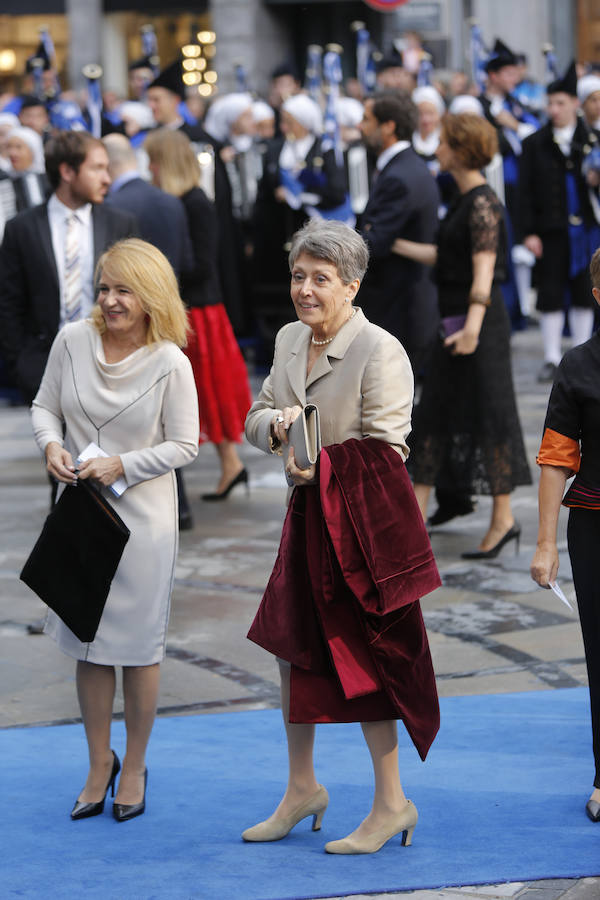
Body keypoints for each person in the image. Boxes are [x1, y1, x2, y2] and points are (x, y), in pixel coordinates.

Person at [243, 218, 440, 854]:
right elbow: (255, 414)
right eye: (298, 276)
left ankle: (392, 803)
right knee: (290, 647)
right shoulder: (286, 340)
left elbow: (388, 451)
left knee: (369, 659)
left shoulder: (381, 350)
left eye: (320, 279)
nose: (304, 289)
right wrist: (275, 427)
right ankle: (302, 788)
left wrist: (320, 464)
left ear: (351, 286)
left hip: (359, 532)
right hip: (305, 519)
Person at [30, 238, 199, 821]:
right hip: (81, 515)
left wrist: (122, 463)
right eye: (103, 287)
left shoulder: (171, 361)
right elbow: (43, 407)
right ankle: (98, 760)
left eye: (123, 289)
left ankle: (135, 764)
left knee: (137, 649)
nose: (110, 300)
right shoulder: (72, 340)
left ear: (151, 295)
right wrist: (51, 444)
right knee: (87, 643)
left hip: (144, 525)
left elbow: (185, 445)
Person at [393, 113, 531, 555]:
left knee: (491, 418)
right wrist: (388, 242)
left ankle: (504, 519)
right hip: (455, 321)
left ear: (460, 148)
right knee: (433, 416)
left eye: (444, 141)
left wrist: (472, 327)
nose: (436, 146)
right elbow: (444, 255)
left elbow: (484, 271)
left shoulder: (483, 202)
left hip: (477, 327)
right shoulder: (463, 198)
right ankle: (415, 515)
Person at [530, 246, 600, 824]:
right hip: (596, 526)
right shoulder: (578, 366)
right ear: (598, 295)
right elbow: (557, 459)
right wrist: (546, 542)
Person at [145, 128, 252, 500]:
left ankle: (231, 465)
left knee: (207, 391)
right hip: (196, 308)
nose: (149, 169)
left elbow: (204, 264)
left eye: (153, 161)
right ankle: (230, 466)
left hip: (200, 311)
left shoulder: (195, 203)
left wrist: (160, 273)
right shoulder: (185, 200)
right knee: (204, 391)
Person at [0, 130, 137, 405]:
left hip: (112, 365)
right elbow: (8, 301)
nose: (107, 178)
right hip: (45, 369)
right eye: (97, 168)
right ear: (67, 171)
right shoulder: (22, 228)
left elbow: (137, 294)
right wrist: (21, 365)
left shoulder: (121, 223)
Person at [518, 63, 600, 382]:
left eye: (561, 103)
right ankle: (552, 357)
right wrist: (527, 233)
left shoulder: (592, 139)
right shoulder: (534, 143)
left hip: (587, 230)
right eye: (550, 103)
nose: (554, 109)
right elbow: (524, 193)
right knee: (550, 293)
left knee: (584, 290)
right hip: (550, 231)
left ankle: (581, 352)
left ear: (575, 105)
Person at [357, 93, 440, 371]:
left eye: (367, 120)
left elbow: (375, 241)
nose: (360, 126)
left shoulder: (399, 175)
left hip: (399, 306)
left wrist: (361, 234)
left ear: (388, 126)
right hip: (401, 302)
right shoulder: (402, 167)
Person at [5, 125, 49, 211]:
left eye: (18, 147)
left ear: (33, 151)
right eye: (9, 147)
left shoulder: (48, 179)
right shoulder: (4, 179)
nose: (12, 153)